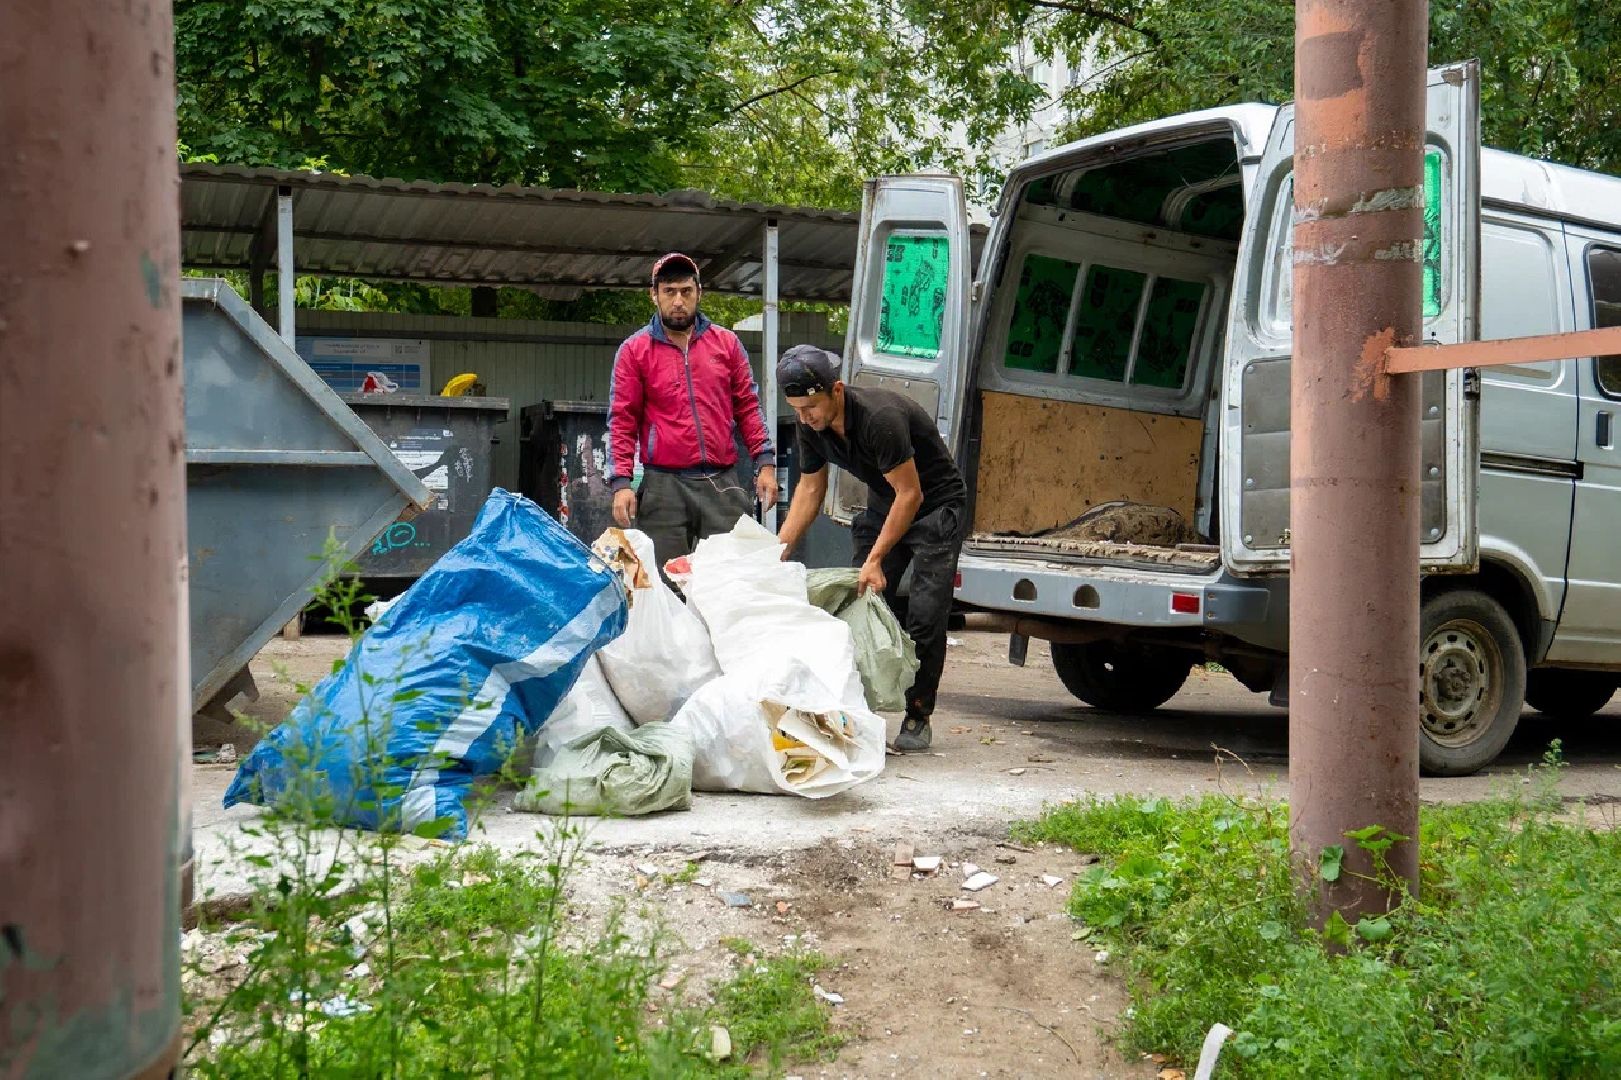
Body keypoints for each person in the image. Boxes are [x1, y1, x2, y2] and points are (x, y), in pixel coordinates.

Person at [773, 344, 968, 752]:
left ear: (837, 390)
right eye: (797, 409)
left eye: (811, 406)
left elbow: (911, 494)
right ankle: (857, 710)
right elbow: (811, 489)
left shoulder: (880, 419)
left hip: (934, 505)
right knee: (859, 604)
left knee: (925, 614)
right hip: (887, 501)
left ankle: (917, 714)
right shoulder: (809, 425)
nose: (805, 418)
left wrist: (877, 559)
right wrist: (779, 548)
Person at [607, 253, 777, 568]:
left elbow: (749, 406)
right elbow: (622, 421)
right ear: (654, 295)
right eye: (669, 291)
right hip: (663, 487)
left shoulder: (726, 344)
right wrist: (621, 484)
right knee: (664, 585)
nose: (678, 301)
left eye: (686, 291)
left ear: (699, 292)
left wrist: (765, 463)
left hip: (722, 481)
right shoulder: (634, 351)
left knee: (733, 578)